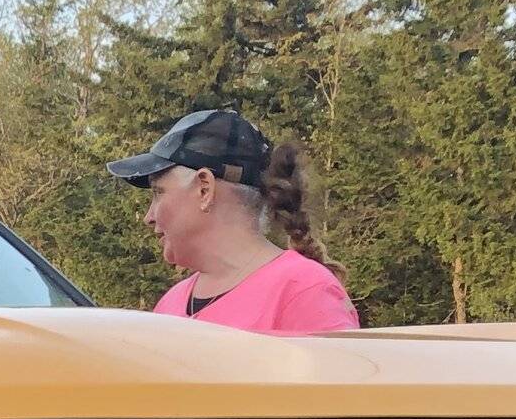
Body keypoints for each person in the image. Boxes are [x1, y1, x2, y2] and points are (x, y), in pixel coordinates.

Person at [106, 108, 358, 335]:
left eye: (158, 192)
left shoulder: (304, 292)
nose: (149, 217)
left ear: (204, 189)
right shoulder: (171, 304)